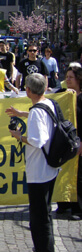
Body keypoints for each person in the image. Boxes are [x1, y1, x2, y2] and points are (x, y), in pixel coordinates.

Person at [6, 73, 59, 252]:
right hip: (50, 168)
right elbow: (42, 114)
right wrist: (22, 114)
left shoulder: (37, 111)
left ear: (28, 91)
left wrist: (19, 137)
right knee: (44, 212)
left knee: (39, 217)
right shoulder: (48, 103)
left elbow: (38, 140)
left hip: (39, 170)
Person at [54, 66, 82, 219]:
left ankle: (77, 207)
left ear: (78, 79)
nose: (68, 80)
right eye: (67, 77)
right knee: (62, 172)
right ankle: (63, 204)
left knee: (78, 175)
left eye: (71, 77)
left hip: (79, 140)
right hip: (64, 140)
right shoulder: (61, 94)